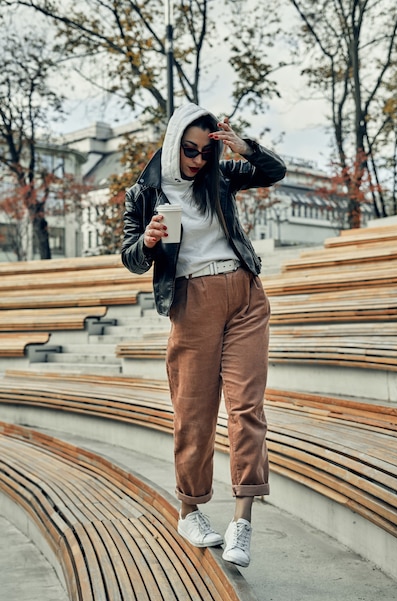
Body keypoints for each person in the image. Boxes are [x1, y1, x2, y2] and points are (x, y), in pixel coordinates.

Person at [122, 102, 286, 567]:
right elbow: (131, 258)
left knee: (247, 407)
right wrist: (149, 242)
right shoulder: (144, 194)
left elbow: (274, 171)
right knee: (193, 413)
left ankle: (242, 521)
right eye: (189, 150)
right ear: (174, 143)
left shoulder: (222, 174)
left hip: (245, 295)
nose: (197, 160)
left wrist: (242, 146)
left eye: (204, 152)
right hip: (192, 304)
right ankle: (190, 509)